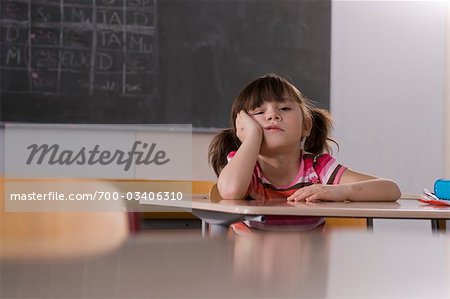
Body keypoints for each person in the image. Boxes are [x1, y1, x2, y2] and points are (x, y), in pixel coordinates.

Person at [208, 73, 401, 232]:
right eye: (259, 113)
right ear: (243, 128)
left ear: (306, 126)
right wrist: (251, 138)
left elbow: (390, 189)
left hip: (304, 265)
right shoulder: (246, 167)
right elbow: (231, 190)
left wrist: (337, 191)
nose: (272, 115)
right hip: (250, 264)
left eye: (284, 108)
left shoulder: (317, 169)